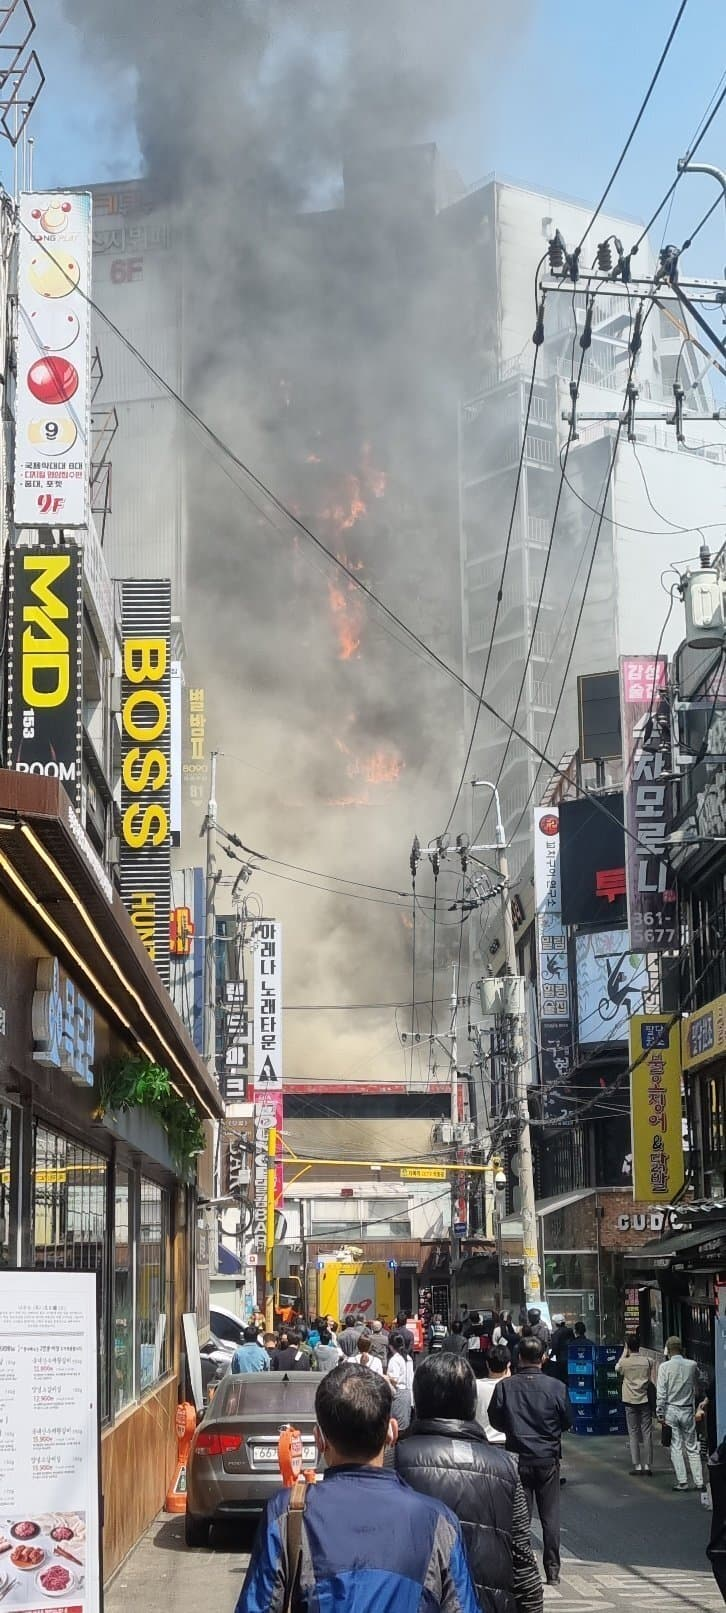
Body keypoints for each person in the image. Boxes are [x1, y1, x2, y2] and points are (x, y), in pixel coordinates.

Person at [235, 1363, 480, 1613]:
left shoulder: (288, 1512)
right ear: (391, 1432)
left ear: (319, 1439)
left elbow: (257, 1606)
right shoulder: (438, 1521)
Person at [396, 1352, 543, 1613]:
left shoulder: (394, 1459)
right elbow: (523, 1564)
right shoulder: (506, 1467)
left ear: (419, 1400)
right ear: (471, 1402)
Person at [488, 1335, 572, 1587]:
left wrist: (513, 1430)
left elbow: (496, 1419)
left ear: (519, 1358)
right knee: (550, 1516)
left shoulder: (505, 1386)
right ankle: (553, 1570)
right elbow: (568, 1421)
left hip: (518, 1456)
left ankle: (523, 1569)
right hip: (547, 1457)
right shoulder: (557, 1387)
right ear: (543, 1358)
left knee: (520, 1519)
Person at [656, 1335, 704, 1492]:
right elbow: (699, 1383)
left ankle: (682, 1481)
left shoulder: (664, 1367)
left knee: (676, 1446)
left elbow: (661, 1392)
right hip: (687, 1408)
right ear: (681, 1349)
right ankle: (699, 1481)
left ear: (668, 1350)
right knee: (692, 1445)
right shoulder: (692, 1365)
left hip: (671, 1409)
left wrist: (660, 1412)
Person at [615, 1333, 653, 1476]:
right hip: (644, 1399)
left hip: (629, 1400)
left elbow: (617, 1368)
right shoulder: (648, 1361)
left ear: (628, 1347)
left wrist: (625, 1352)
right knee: (647, 1432)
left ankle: (637, 1465)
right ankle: (648, 1465)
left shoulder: (625, 1362)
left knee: (633, 1432)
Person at [476, 1345, 511, 1444]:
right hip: (506, 1441)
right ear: (508, 1365)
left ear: (487, 1364)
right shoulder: (513, 1387)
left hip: (481, 1440)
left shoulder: (474, 1385)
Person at [387, 1329, 415, 1430]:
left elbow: (394, 1380)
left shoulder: (394, 1360)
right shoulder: (408, 1358)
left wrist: (386, 1378)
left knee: (396, 1428)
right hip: (408, 1393)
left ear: (390, 1346)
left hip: (398, 1394)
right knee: (405, 1426)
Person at [548, 1315, 575, 1387]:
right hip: (571, 1357)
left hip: (561, 1359)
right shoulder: (570, 1331)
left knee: (562, 1378)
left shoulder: (556, 1334)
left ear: (556, 1324)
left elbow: (555, 1346)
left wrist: (550, 1356)